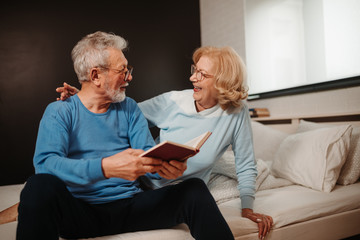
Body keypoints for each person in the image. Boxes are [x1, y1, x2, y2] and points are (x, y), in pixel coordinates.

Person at [1, 44, 273, 239]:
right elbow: (47, 165)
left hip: (131, 206)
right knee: (38, 185)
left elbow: (145, 152)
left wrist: (166, 167)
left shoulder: (129, 108)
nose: (129, 77)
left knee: (193, 189)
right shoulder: (60, 110)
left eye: (128, 70)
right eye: (123, 71)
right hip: (81, 213)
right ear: (96, 76)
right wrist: (104, 164)